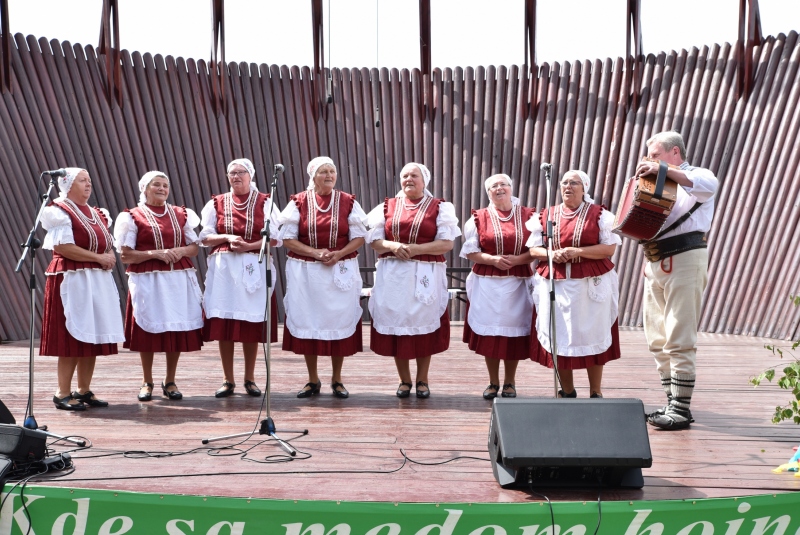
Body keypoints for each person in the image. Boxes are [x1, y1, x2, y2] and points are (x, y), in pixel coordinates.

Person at [638, 131, 719, 430]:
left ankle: (681, 409)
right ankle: (672, 399)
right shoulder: (657, 183)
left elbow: (709, 186)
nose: (650, 160)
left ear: (674, 152)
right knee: (657, 338)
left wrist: (661, 171)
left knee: (679, 336)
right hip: (655, 260)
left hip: (686, 257)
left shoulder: (698, 174)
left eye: (655, 155)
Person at [366, 163, 461, 398]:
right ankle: (404, 380)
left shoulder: (440, 207)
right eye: (405, 175)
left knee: (423, 323)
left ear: (424, 180)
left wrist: (415, 249)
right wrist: (392, 245)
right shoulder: (386, 206)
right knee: (398, 323)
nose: (409, 179)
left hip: (425, 272)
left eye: (414, 175)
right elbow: (375, 240)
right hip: (394, 274)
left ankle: (423, 379)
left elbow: (447, 243)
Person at [278, 157, 368, 399]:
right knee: (311, 320)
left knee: (338, 319)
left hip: (340, 267)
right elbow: (287, 238)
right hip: (307, 271)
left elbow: (360, 236)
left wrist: (339, 253)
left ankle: (337, 379)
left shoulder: (348, 201)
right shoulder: (299, 201)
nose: (329, 175)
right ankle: (312, 379)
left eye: (332, 171)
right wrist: (314, 252)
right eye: (323, 171)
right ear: (312, 176)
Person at [527, 170, 622, 398]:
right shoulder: (547, 215)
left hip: (589, 283)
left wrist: (578, 251)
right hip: (557, 284)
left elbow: (609, 248)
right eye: (564, 183)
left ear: (584, 188)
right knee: (560, 333)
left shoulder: (600, 215)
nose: (568, 186)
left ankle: (596, 391)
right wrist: (551, 253)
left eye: (574, 183)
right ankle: (567, 390)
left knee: (593, 333)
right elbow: (533, 249)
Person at [39, 168, 125, 410]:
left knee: (92, 332)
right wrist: (98, 259)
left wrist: (108, 255)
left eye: (89, 180)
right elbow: (63, 246)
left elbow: (107, 243)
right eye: (82, 180)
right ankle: (62, 392)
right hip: (72, 277)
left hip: (96, 279)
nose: (88, 184)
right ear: (67, 185)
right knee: (71, 334)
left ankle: (84, 389)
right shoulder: (59, 210)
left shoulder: (98, 213)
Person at [114, 171, 204, 402]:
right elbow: (126, 255)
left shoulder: (181, 214)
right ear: (145, 188)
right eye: (157, 184)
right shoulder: (132, 216)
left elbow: (194, 247)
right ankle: (147, 381)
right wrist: (156, 253)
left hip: (177, 277)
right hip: (148, 279)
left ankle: (170, 380)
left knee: (174, 328)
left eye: (166, 185)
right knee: (148, 329)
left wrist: (179, 251)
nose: (162, 188)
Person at [199, 158, 280, 398]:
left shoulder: (266, 201)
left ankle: (250, 378)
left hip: (252, 264)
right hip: (224, 270)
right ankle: (228, 379)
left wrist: (249, 246)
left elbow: (276, 238)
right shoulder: (216, 203)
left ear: (250, 175)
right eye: (232, 173)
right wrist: (226, 238)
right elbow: (204, 236)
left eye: (241, 172)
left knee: (250, 323)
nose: (236, 176)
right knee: (225, 324)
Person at [460, 174, 536, 399]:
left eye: (504, 184)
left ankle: (510, 382)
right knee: (491, 334)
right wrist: (492, 260)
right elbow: (470, 252)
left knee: (513, 335)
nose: (499, 188)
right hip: (488, 285)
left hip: (518, 283)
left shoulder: (529, 217)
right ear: (488, 192)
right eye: (494, 186)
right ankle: (493, 382)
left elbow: (537, 249)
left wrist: (518, 260)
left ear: (512, 188)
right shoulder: (477, 218)